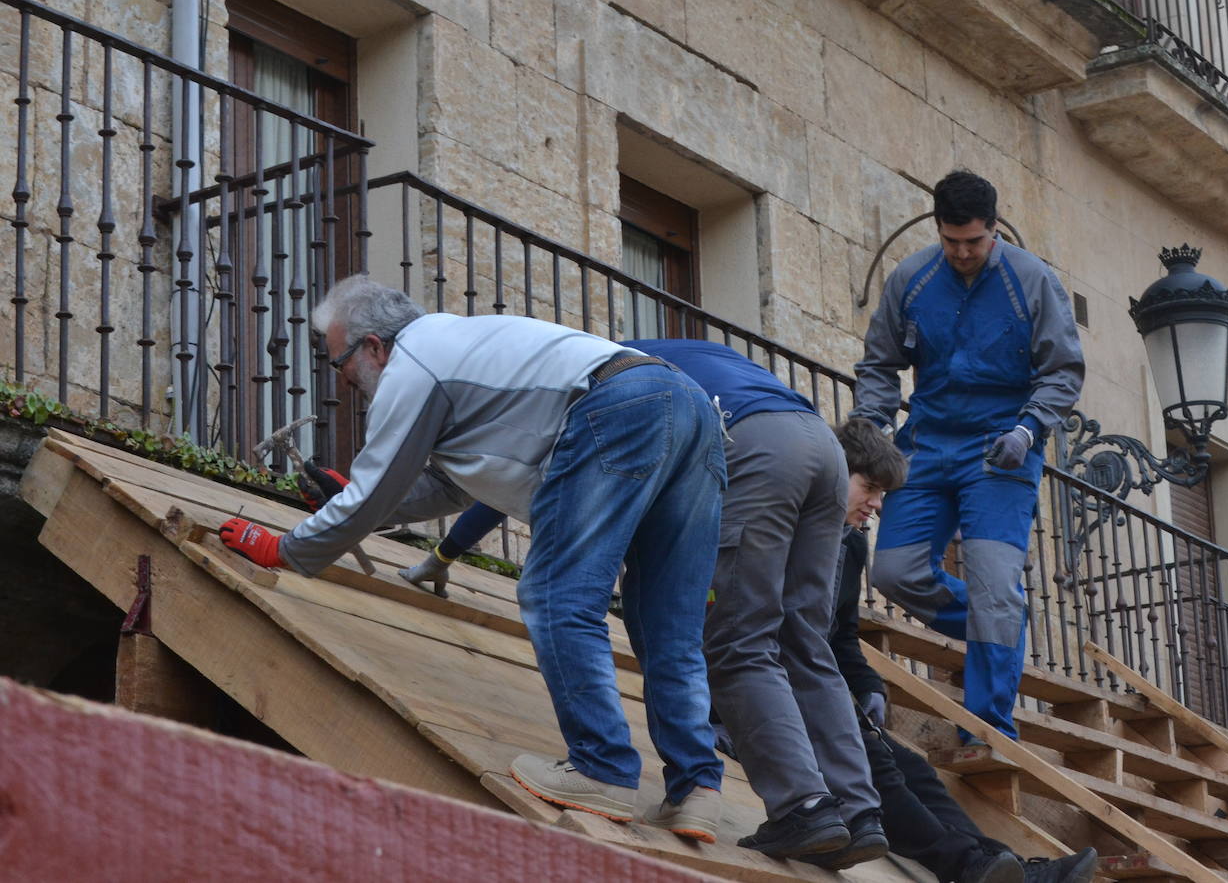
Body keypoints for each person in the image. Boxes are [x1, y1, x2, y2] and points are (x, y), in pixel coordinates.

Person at [216, 276, 726, 839]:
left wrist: (284, 548)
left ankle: (601, 769)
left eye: (340, 364)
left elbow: (374, 491)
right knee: (668, 623)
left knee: (557, 594)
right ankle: (695, 788)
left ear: (374, 347)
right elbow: (451, 487)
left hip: (619, 406)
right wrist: (349, 497)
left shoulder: (416, 363)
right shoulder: (461, 352)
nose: (345, 381)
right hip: (691, 408)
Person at [404, 338, 887, 868]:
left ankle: (805, 806)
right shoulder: (658, 353)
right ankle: (856, 811)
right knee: (804, 641)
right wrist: (447, 553)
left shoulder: (596, 380)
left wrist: (446, 550)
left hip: (756, 447)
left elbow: (510, 481)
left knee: (732, 640)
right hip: (819, 444)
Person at [852, 170, 1084, 740]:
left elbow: (1062, 371)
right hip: (927, 444)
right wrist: (875, 427)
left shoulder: (1032, 282)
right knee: (893, 571)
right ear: (938, 228)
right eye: (951, 241)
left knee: (994, 581)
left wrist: (1028, 432)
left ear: (995, 230)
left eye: (974, 242)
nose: (962, 253)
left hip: (1001, 449)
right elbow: (880, 365)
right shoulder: (911, 277)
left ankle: (986, 725)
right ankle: (995, 622)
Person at [829, 419, 1098, 883]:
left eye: (881, 494)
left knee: (915, 769)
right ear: (831, 471)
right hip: (787, 692)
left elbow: (841, 636)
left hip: (823, 690)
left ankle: (1004, 866)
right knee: (880, 774)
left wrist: (868, 684)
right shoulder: (788, 528)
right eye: (869, 488)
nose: (875, 506)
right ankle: (970, 867)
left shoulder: (849, 545)